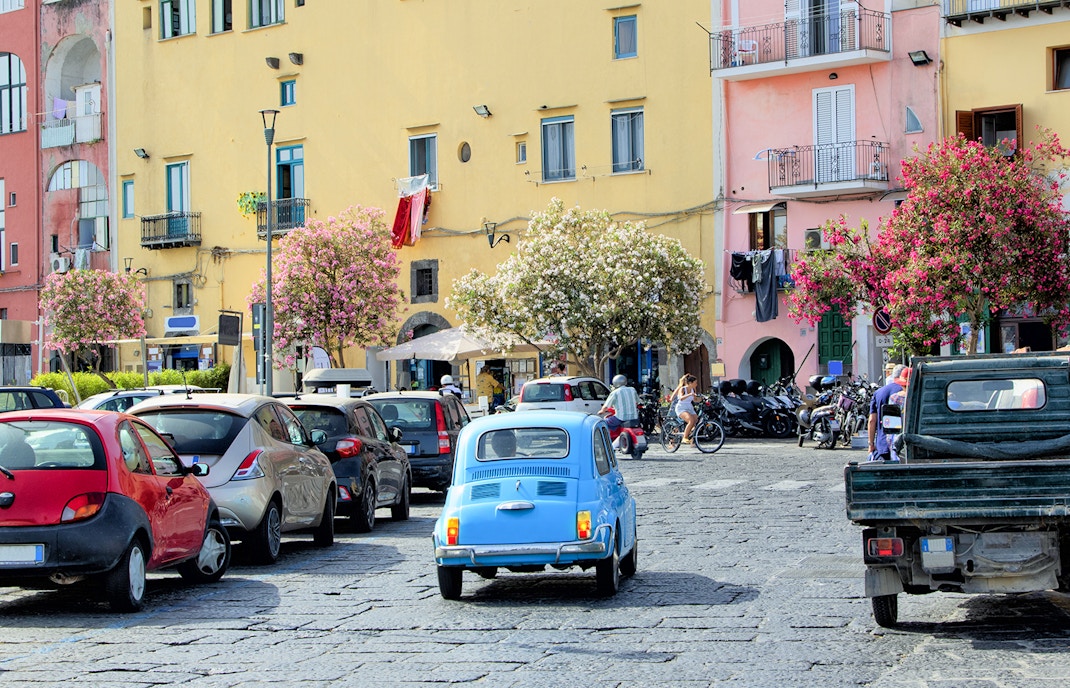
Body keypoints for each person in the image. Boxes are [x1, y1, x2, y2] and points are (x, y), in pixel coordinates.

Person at [868, 364, 905, 462]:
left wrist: (871, 444)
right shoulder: (904, 391)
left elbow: (872, 420)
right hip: (901, 443)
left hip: (882, 442)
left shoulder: (878, 392)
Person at [671, 374, 699, 444]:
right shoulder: (683, 389)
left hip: (689, 407)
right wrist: (689, 394)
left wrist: (703, 399)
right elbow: (681, 398)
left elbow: (695, 400)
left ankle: (690, 437)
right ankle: (685, 437)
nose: (696, 384)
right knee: (691, 420)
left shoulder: (693, 389)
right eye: (695, 383)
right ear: (690, 383)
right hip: (681, 407)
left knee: (696, 419)